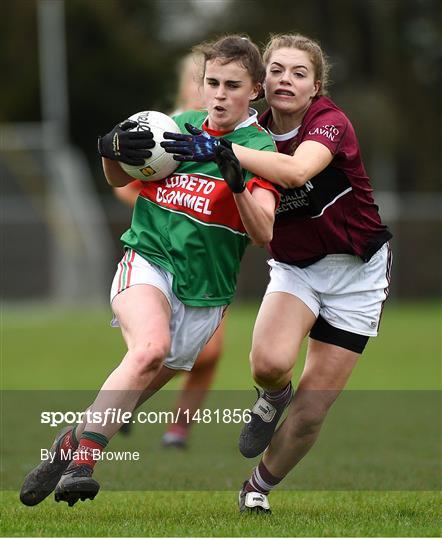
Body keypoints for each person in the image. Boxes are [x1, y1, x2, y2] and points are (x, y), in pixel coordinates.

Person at [19, 35, 279, 507]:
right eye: (211, 82)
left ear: (255, 90)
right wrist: (108, 149)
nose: (219, 94)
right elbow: (121, 178)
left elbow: (262, 233)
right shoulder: (171, 128)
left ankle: (70, 441)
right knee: (149, 348)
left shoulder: (258, 148)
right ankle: (83, 465)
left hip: (205, 295)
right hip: (148, 260)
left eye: (232, 85)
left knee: (135, 386)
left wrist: (237, 177)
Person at [162, 33, 393, 514]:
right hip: (296, 269)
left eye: (300, 73)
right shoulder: (249, 132)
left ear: (315, 87)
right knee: (267, 364)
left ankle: (257, 487)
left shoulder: (329, 123)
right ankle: (272, 396)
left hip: (358, 274)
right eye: (277, 70)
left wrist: (215, 148)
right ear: (261, 83)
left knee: (311, 412)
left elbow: (293, 173)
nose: (287, 79)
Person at [114, 52, 226, 449]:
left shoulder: (237, 135)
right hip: (162, 255)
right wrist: (164, 207)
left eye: (222, 81)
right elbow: (124, 184)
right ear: (185, 87)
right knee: (162, 349)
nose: (212, 89)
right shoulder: (165, 128)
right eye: (203, 80)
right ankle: (123, 409)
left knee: (208, 355)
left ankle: (176, 428)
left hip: (208, 261)